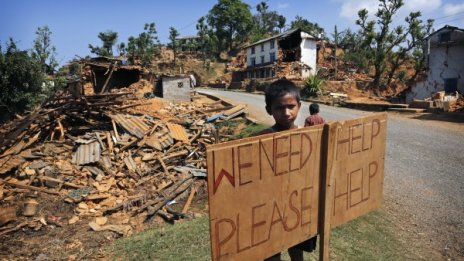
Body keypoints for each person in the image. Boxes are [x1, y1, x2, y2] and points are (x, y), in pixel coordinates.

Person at [254, 78, 317, 261]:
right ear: (269, 110)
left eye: (291, 106)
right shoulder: (258, 140)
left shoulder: (308, 138)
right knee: (271, 253)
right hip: (269, 210)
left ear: (299, 105)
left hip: (297, 206)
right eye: (279, 108)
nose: (287, 113)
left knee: (297, 249)